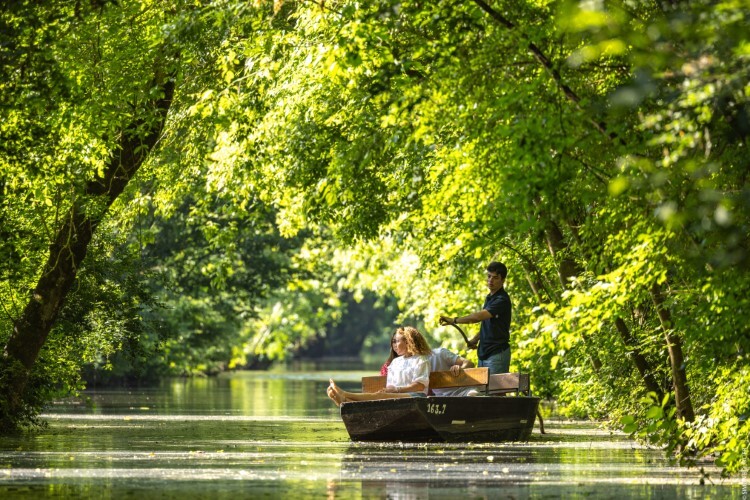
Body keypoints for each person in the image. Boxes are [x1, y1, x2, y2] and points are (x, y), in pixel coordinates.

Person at [327, 326, 432, 407]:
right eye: (393, 341)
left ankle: (345, 395)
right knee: (378, 397)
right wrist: (388, 391)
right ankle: (345, 402)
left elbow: (419, 386)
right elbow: (391, 386)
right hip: (397, 397)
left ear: (408, 342)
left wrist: (396, 390)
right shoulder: (395, 362)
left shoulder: (421, 360)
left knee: (380, 397)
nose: (394, 345)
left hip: (417, 398)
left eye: (397, 341)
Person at [439, 261, 512, 375]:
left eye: (495, 278)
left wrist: (454, 320)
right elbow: (489, 325)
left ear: (502, 280)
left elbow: (477, 317)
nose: (490, 280)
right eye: (489, 276)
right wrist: (475, 339)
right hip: (484, 354)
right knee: (484, 390)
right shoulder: (490, 298)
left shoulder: (501, 300)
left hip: (497, 354)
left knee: (496, 391)